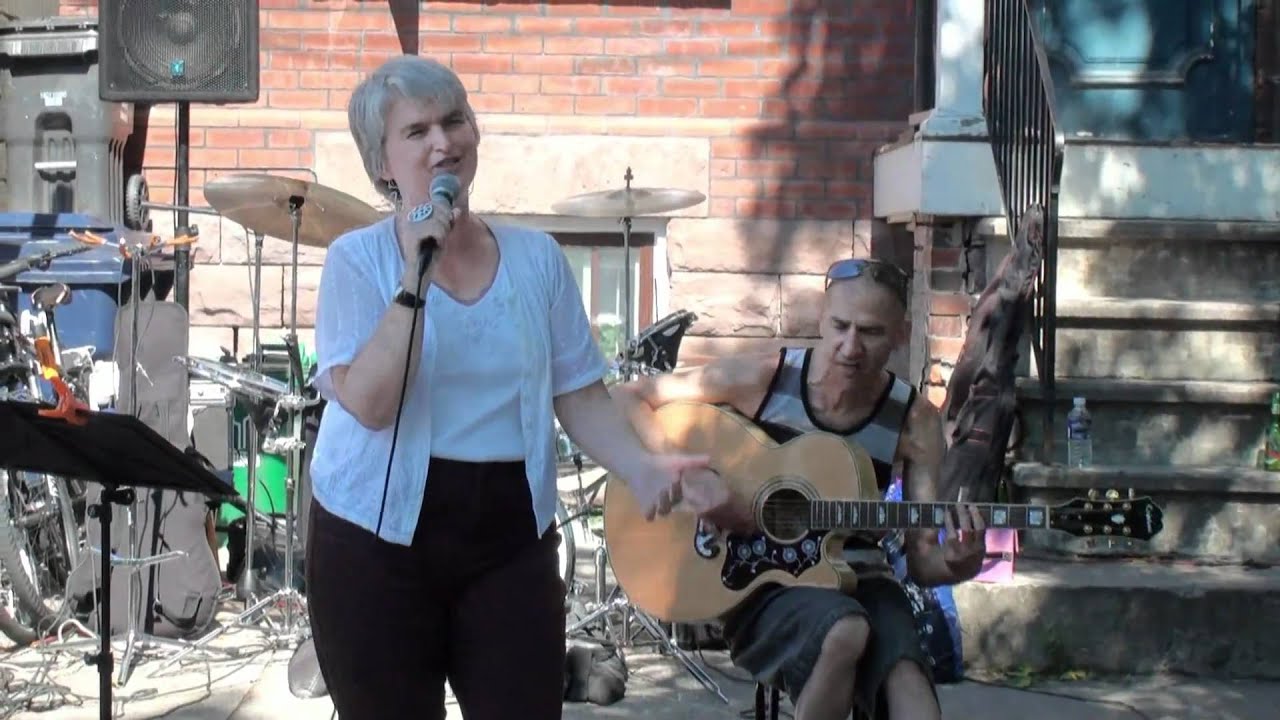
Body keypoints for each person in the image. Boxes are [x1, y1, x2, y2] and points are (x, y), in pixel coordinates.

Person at [304, 55, 710, 720]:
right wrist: (415, 278)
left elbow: (577, 392)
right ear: (381, 164)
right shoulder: (358, 260)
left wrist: (641, 465)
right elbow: (372, 405)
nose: (443, 142)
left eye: (454, 120)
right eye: (417, 132)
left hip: (508, 535)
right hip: (374, 539)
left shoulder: (537, 258)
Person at [611, 257, 990, 720]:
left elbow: (923, 562)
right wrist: (698, 481)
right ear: (821, 321)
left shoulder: (914, 421)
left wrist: (960, 561)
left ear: (900, 335)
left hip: (861, 578)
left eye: (870, 332)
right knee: (845, 630)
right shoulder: (767, 378)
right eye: (840, 326)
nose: (850, 347)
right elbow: (627, 398)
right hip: (758, 581)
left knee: (913, 695)